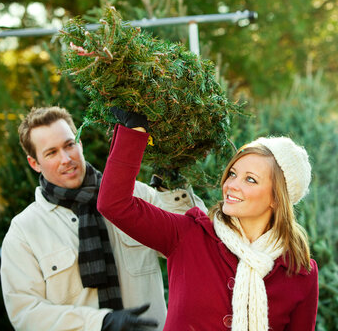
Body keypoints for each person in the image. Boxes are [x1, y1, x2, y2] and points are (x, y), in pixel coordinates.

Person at [97, 110, 319, 330]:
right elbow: (115, 204)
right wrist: (134, 130)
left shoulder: (300, 272)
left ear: (277, 199)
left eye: (250, 179)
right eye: (232, 173)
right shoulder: (188, 234)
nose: (232, 185)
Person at [0, 106, 207, 331]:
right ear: (34, 163)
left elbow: (192, 239)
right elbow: (25, 313)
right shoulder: (24, 231)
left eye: (70, 145)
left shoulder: (137, 196)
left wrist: (172, 182)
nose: (66, 159)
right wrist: (100, 323)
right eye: (51, 153)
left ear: (80, 143)